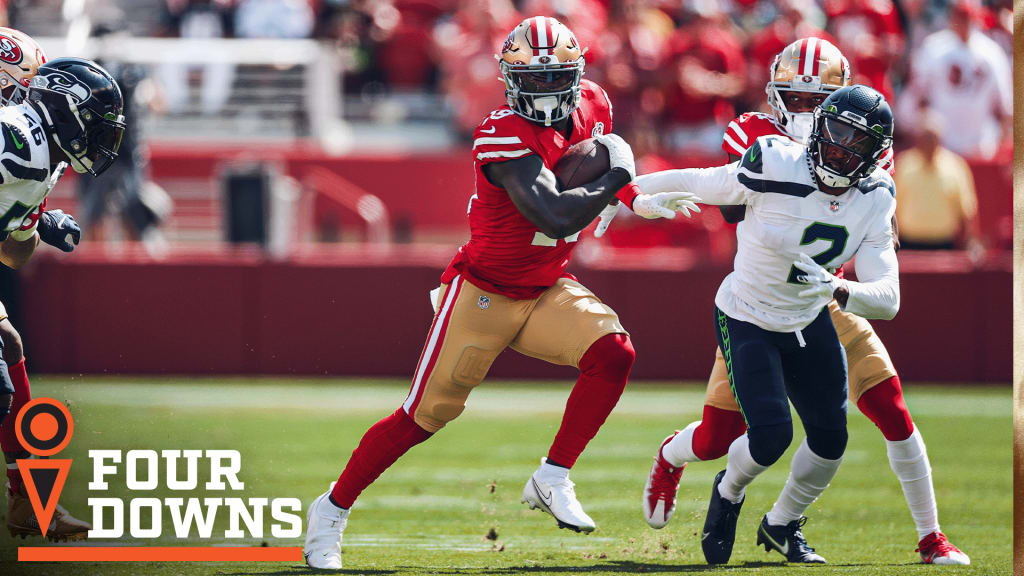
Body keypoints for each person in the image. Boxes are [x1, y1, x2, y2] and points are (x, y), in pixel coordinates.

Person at [302, 16, 698, 570]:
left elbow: (582, 164)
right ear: (509, 80)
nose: (542, 90)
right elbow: (553, 208)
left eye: (554, 77)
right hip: (483, 292)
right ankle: (331, 510)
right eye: (530, 79)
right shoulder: (501, 130)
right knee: (421, 418)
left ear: (577, 75)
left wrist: (629, 194)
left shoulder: (595, 104)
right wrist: (619, 177)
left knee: (614, 354)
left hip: (546, 284)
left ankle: (553, 476)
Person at [639, 38, 968, 566]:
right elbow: (727, 203)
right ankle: (673, 455)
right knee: (722, 437)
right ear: (775, 95)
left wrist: (862, 242)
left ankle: (922, 535)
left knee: (886, 409)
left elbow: (880, 233)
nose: (811, 116)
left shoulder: (868, 150)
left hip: (830, 298)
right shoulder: (758, 143)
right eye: (796, 100)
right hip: (759, 296)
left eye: (822, 103)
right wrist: (635, 191)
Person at [0, 53, 125, 540]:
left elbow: (13, 256)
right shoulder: (14, 133)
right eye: (94, 121)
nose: (102, 135)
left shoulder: (42, 158)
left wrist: (32, 222)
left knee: (8, 347)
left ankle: (29, 502)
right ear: (63, 107)